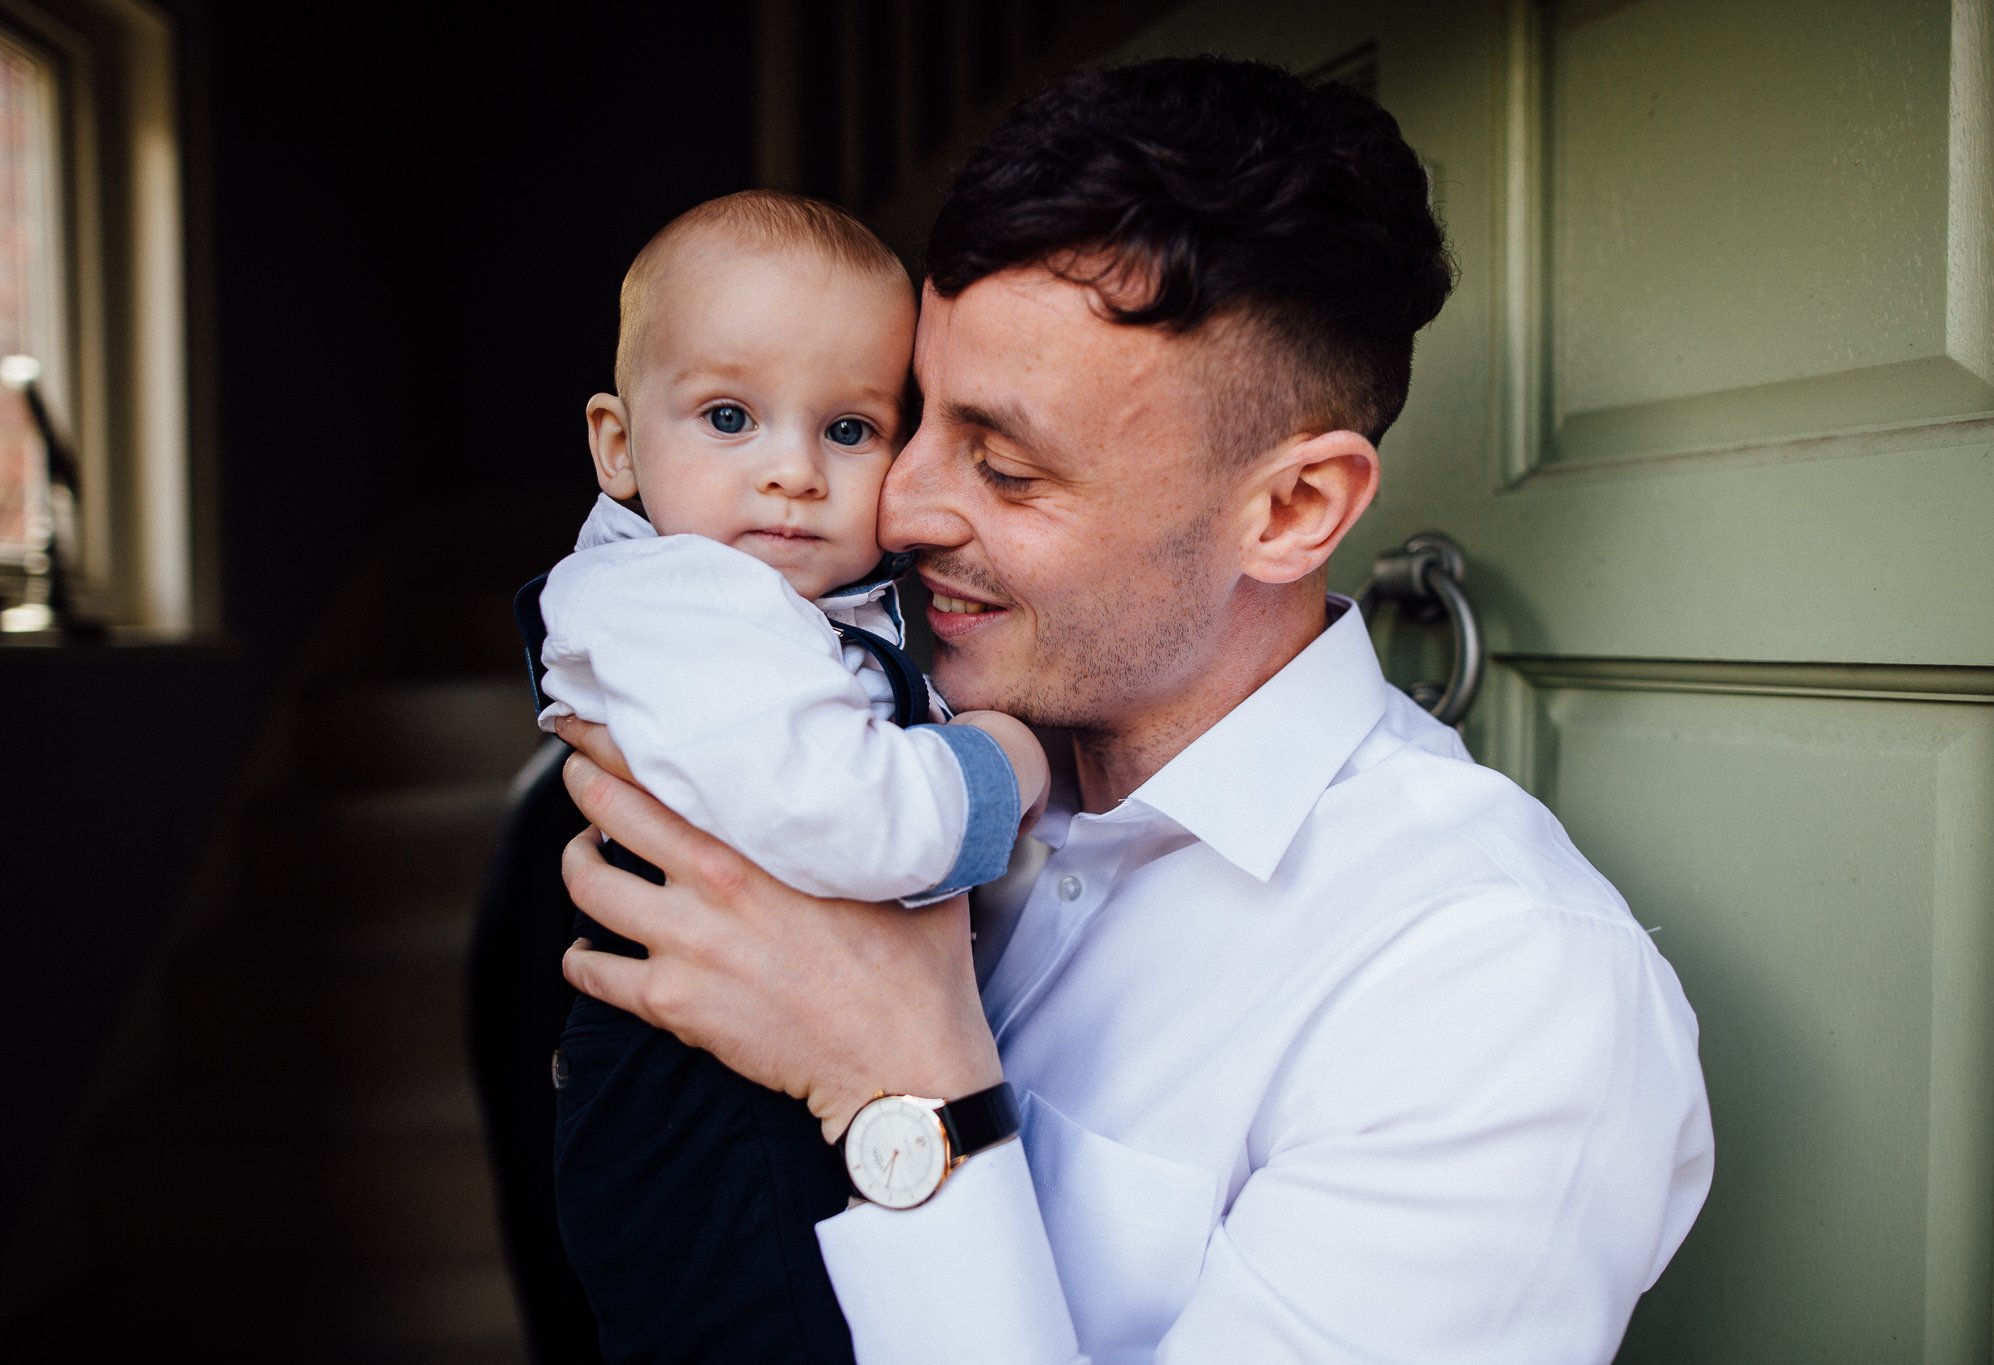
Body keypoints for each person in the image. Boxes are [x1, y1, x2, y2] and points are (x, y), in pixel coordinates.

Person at [555, 57, 1714, 1363]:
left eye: (1004, 463)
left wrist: (901, 1078)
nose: (898, 505)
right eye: (907, 420)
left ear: (1289, 512)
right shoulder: (850, 700)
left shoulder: (1498, 1001)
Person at [529, 190, 1048, 1362]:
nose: (792, 474)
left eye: (849, 430)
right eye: (728, 415)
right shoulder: (679, 602)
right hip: (700, 1101)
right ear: (617, 445)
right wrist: (1004, 765)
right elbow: (852, 819)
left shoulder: (772, 598)